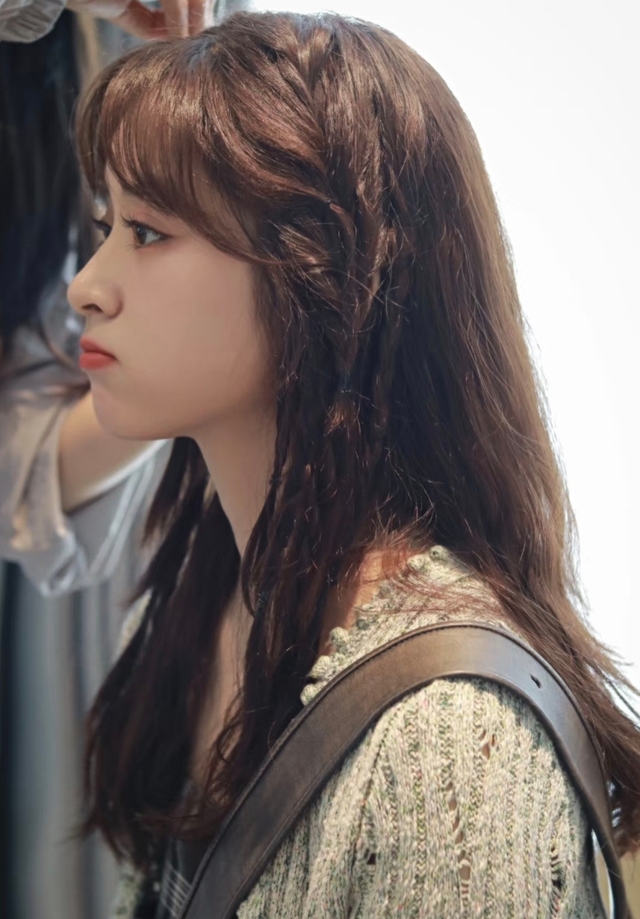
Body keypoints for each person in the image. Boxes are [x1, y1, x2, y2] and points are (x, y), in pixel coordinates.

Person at [66, 11, 640, 918]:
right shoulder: (196, 605)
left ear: (320, 275)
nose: (86, 287)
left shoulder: (454, 747)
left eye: (145, 232)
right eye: (106, 225)